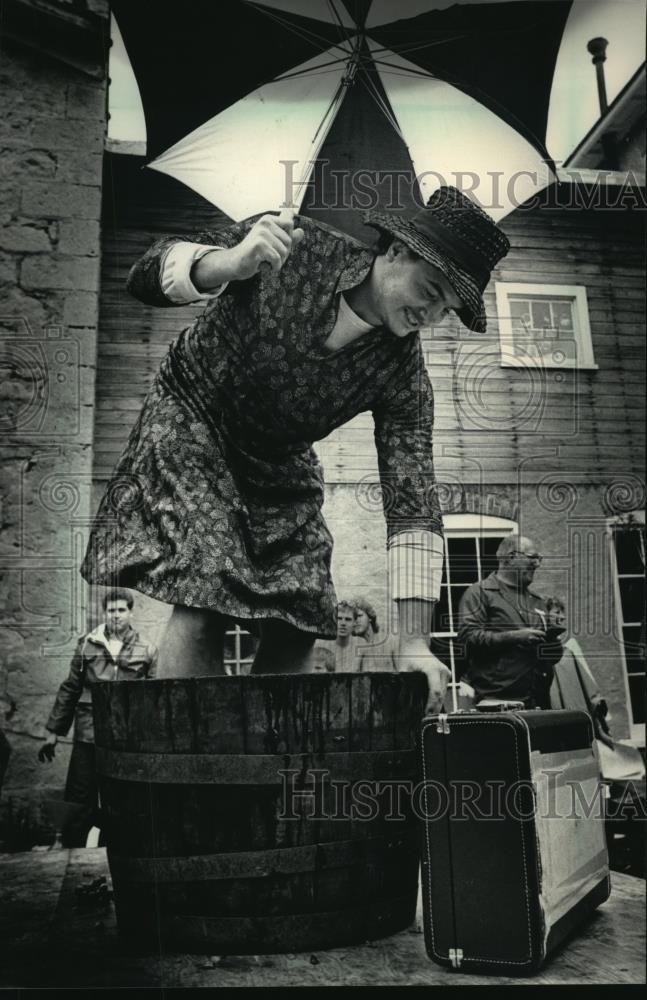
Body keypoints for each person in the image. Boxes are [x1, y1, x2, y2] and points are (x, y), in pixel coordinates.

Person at [80, 187, 510, 709]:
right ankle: (192, 767)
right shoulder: (294, 245)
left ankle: (268, 759)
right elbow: (143, 275)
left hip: (278, 458)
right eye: (431, 289)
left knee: (304, 609)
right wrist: (228, 264)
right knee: (206, 589)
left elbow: (413, 499)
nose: (432, 313)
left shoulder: (405, 378)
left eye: (447, 307)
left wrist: (414, 639)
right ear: (396, 251)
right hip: (195, 415)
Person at [38, 589, 157, 847]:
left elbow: (152, 698)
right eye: (111, 610)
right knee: (80, 796)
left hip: (126, 736)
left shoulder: (146, 649)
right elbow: (70, 688)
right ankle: (70, 849)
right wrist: (53, 732)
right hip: (88, 733)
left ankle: (127, 849)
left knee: (126, 795)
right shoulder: (87, 644)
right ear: (105, 613)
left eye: (121, 610)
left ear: (130, 612)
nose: (116, 616)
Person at [457, 535, 564, 709]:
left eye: (539, 559)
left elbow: (550, 657)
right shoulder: (480, 593)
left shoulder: (538, 600)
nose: (537, 564)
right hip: (497, 702)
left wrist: (554, 646)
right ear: (511, 557)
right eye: (532, 558)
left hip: (539, 700)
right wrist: (515, 636)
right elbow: (468, 637)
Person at [546, 597, 613, 746]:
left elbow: (589, 695)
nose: (562, 617)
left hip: (577, 723)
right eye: (557, 612)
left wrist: (599, 730)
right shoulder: (537, 655)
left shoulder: (568, 652)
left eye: (562, 613)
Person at [352, 596, 398, 672]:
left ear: (370, 617)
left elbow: (401, 671)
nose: (356, 621)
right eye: (353, 618)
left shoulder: (389, 640)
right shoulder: (355, 647)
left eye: (359, 616)